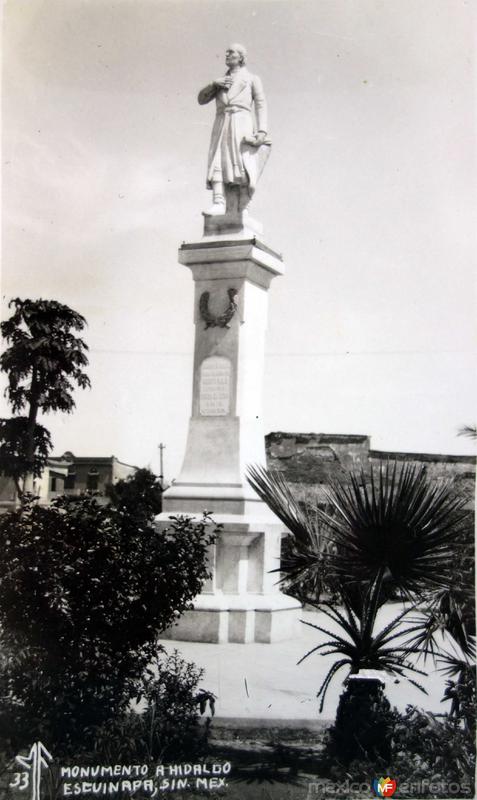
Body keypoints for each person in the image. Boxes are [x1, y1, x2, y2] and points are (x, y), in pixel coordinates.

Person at [198, 43, 268, 215]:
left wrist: (262, 130)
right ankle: (218, 201)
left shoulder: (252, 79)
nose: (227, 54)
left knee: (243, 164)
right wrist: (214, 84)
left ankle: (244, 207)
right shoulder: (220, 81)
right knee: (218, 160)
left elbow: (260, 104)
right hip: (222, 122)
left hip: (242, 122)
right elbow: (201, 99)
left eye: (231, 52)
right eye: (226, 52)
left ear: (241, 57)